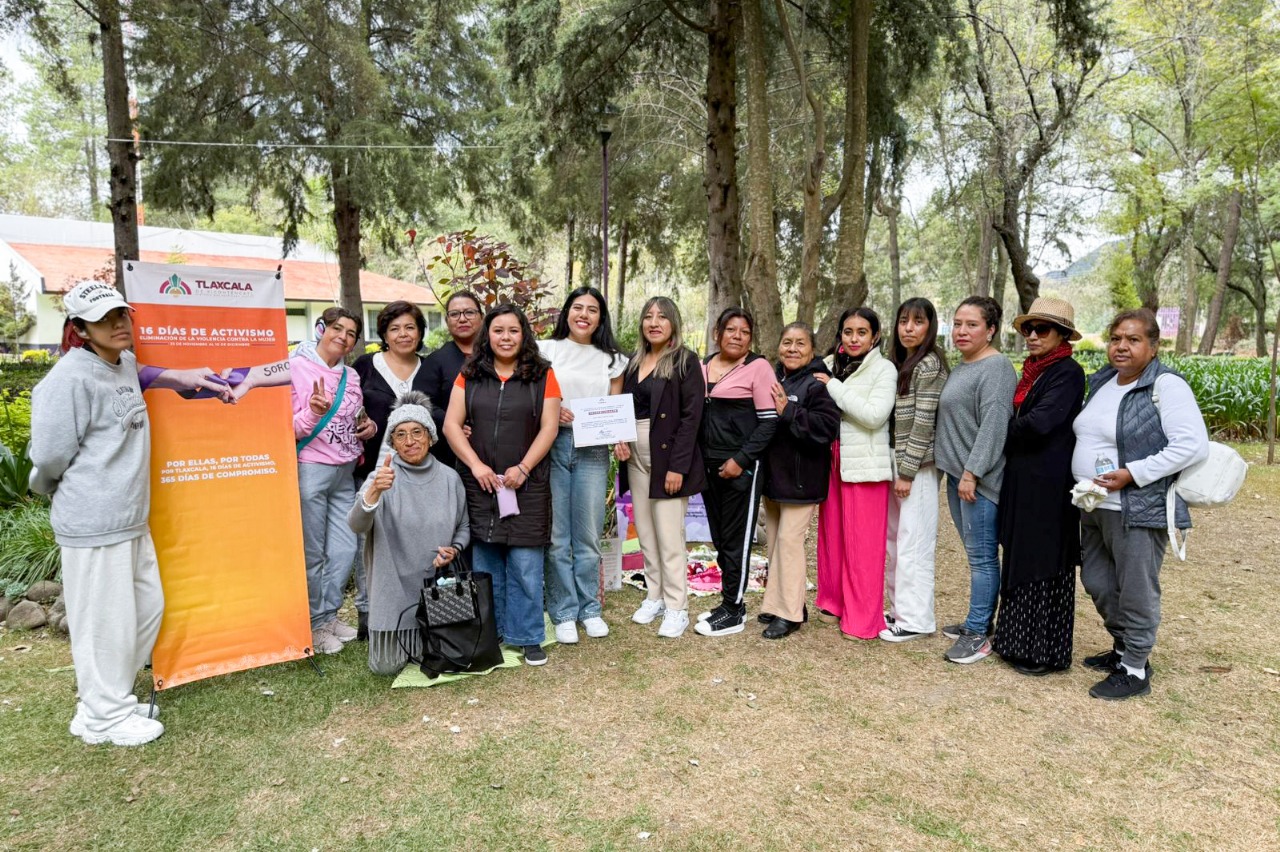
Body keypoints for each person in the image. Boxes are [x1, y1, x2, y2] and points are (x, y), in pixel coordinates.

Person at [29, 282, 166, 746]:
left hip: (130, 517)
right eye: (103, 319)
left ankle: (105, 700)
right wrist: (54, 488)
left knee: (146, 609)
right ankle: (105, 717)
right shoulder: (68, 379)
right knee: (104, 622)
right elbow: (49, 457)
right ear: (81, 329)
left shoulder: (122, 363)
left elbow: (148, 376)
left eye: (121, 314)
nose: (117, 324)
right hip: (93, 520)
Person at [1072, 308, 1208, 700]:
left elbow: (1192, 445)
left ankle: (1134, 668)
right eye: (1116, 338)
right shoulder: (1104, 381)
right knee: (1097, 581)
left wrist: (1133, 473)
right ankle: (1123, 648)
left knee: (1136, 588)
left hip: (1137, 506)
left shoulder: (1165, 385)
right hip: (1094, 503)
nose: (1122, 346)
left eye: (1133, 340)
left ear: (1153, 346)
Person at [443, 305, 561, 666]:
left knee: (526, 562)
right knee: (486, 559)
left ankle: (527, 636)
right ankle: (490, 632)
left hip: (527, 482)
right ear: (487, 335)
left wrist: (524, 467)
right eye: (498, 331)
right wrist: (476, 465)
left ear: (523, 335)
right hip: (483, 484)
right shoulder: (469, 374)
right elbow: (451, 425)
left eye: (513, 330)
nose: (505, 337)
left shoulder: (543, 374)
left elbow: (549, 427)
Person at [992, 298, 1086, 675]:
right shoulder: (1032, 371)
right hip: (1022, 477)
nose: (1032, 336)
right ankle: (1013, 641)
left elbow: (1041, 423)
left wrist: (998, 431)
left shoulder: (1067, 372)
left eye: (1041, 329)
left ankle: (1041, 651)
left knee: (1044, 559)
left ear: (1062, 335)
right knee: (1019, 553)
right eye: (1028, 329)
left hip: (1048, 483)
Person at [348, 392, 469, 676]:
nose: (410, 441)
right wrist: (374, 492)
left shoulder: (450, 478)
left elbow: (464, 527)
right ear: (392, 442)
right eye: (400, 434)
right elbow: (356, 525)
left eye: (417, 432)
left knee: (443, 657)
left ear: (430, 437)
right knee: (386, 668)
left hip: (437, 590)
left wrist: (454, 549)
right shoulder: (381, 478)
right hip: (393, 590)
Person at [538, 286, 628, 645]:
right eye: (578, 307)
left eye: (592, 310)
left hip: (593, 448)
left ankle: (590, 609)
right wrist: (552, 407)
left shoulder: (612, 359)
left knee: (588, 534)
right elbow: (533, 393)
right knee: (557, 536)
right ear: (567, 312)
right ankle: (563, 611)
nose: (584, 315)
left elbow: (615, 406)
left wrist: (620, 437)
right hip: (553, 443)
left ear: (600, 318)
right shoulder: (547, 350)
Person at [616, 296, 706, 639]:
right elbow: (622, 407)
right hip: (635, 456)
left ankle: (677, 606)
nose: (654, 323)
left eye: (662, 317)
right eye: (648, 317)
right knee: (646, 532)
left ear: (673, 323)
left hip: (668, 457)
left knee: (669, 536)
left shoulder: (685, 360)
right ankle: (654, 596)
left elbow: (691, 418)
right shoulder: (633, 361)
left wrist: (678, 467)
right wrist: (619, 439)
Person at [935, 296, 1017, 665]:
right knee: (975, 555)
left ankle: (978, 633)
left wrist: (972, 473)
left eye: (972, 325)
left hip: (978, 481)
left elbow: (994, 426)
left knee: (983, 558)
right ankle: (981, 620)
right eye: (957, 324)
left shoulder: (996, 367)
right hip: (959, 476)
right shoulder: (963, 365)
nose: (962, 331)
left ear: (991, 330)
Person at [291, 307, 377, 655]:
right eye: (337, 328)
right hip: (310, 468)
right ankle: (314, 624)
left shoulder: (350, 376)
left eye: (351, 333)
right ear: (321, 329)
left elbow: (355, 418)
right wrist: (313, 412)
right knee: (313, 554)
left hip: (345, 470)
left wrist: (368, 428)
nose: (343, 337)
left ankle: (328, 615)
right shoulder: (294, 367)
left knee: (343, 550)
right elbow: (285, 426)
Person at [813, 307, 897, 640]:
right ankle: (834, 601)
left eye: (862, 332)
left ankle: (862, 619)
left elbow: (875, 415)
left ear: (875, 336)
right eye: (848, 331)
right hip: (833, 458)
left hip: (866, 466)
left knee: (863, 545)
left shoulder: (884, 369)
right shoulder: (831, 363)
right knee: (832, 536)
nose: (854, 338)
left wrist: (833, 386)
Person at [694, 307, 778, 637]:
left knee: (736, 540)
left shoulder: (758, 368)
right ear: (718, 333)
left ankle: (734, 610)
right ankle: (729, 601)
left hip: (741, 468)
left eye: (744, 331)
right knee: (719, 538)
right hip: (709, 467)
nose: (737, 336)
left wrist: (740, 460)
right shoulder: (703, 366)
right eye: (731, 329)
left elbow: (769, 423)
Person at [352, 301, 434, 638]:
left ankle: (416, 609)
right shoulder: (365, 366)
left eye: (410, 327)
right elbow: (349, 407)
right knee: (368, 541)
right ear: (384, 334)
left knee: (412, 541)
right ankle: (367, 611)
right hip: (373, 470)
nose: (403, 334)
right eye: (394, 328)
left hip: (418, 474)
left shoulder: (429, 369)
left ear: (420, 332)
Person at [757, 322, 840, 639]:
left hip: (802, 480)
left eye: (800, 343)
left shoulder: (818, 384)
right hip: (774, 478)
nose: (792, 349)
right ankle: (779, 602)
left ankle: (789, 613)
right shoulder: (774, 377)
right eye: (787, 342)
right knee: (775, 542)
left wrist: (789, 411)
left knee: (790, 544)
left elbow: (826, 428)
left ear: (812, 349)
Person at [880, 298, 949, 643]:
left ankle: (917, 620)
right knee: (895, 540)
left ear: (930, 327)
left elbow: (924, 423)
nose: (908, 328)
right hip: (897, 459)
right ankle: (899, 610)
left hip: (918, 466)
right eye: (903, 320)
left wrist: (907, 472)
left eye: (918, 322)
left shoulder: (930, 365)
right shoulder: (902, 362)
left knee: (914, 541)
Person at [422, 291, 483, 469]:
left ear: (481, 317)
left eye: (469, 312)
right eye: (455, 314)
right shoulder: (436, 361)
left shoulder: (498, 357)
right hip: (449, 457)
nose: (462, 319)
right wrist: (453, 424)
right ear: (447, 320)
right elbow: (422, 402)